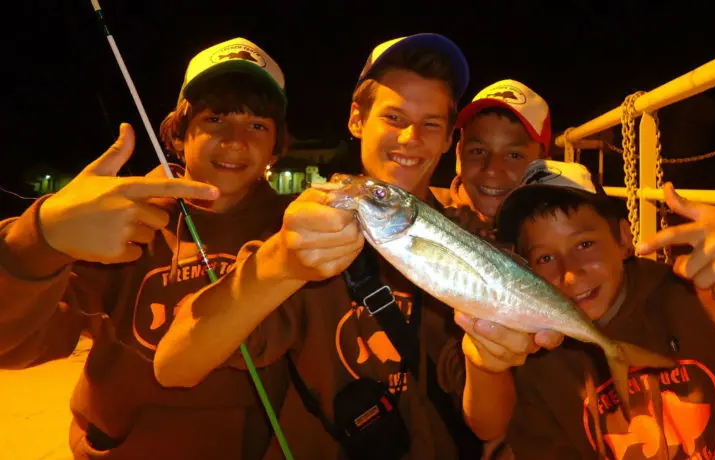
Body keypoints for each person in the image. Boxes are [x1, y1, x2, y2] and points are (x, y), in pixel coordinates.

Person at [154, 34, 561, 460]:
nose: (410, 138)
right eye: (393, 117)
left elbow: (489, 423)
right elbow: (176, 365)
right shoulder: (305, 230)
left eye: (431, 124)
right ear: (356, 120)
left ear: (447, 141)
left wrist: (488, 361)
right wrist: (281, 264)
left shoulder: (472, 239)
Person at [0, 37, 297, 459]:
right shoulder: (123, 222)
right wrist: (39, 241)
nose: (235, 140)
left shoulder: (296, 231)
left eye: (257, 125)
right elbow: (12, 344)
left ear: (276, 145)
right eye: (215, 119)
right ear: (178, 136)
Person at [490, 159, 715, 459]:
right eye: (545, 257)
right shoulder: (538, 366)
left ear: (624, 239)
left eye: (584, 243)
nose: (569, 272)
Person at [431, 79, 550, 241]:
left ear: (542, 167)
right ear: (459, 156)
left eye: (514, 155)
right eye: (478, 151)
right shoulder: (424, 217)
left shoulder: (558, 236)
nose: (492, 169)